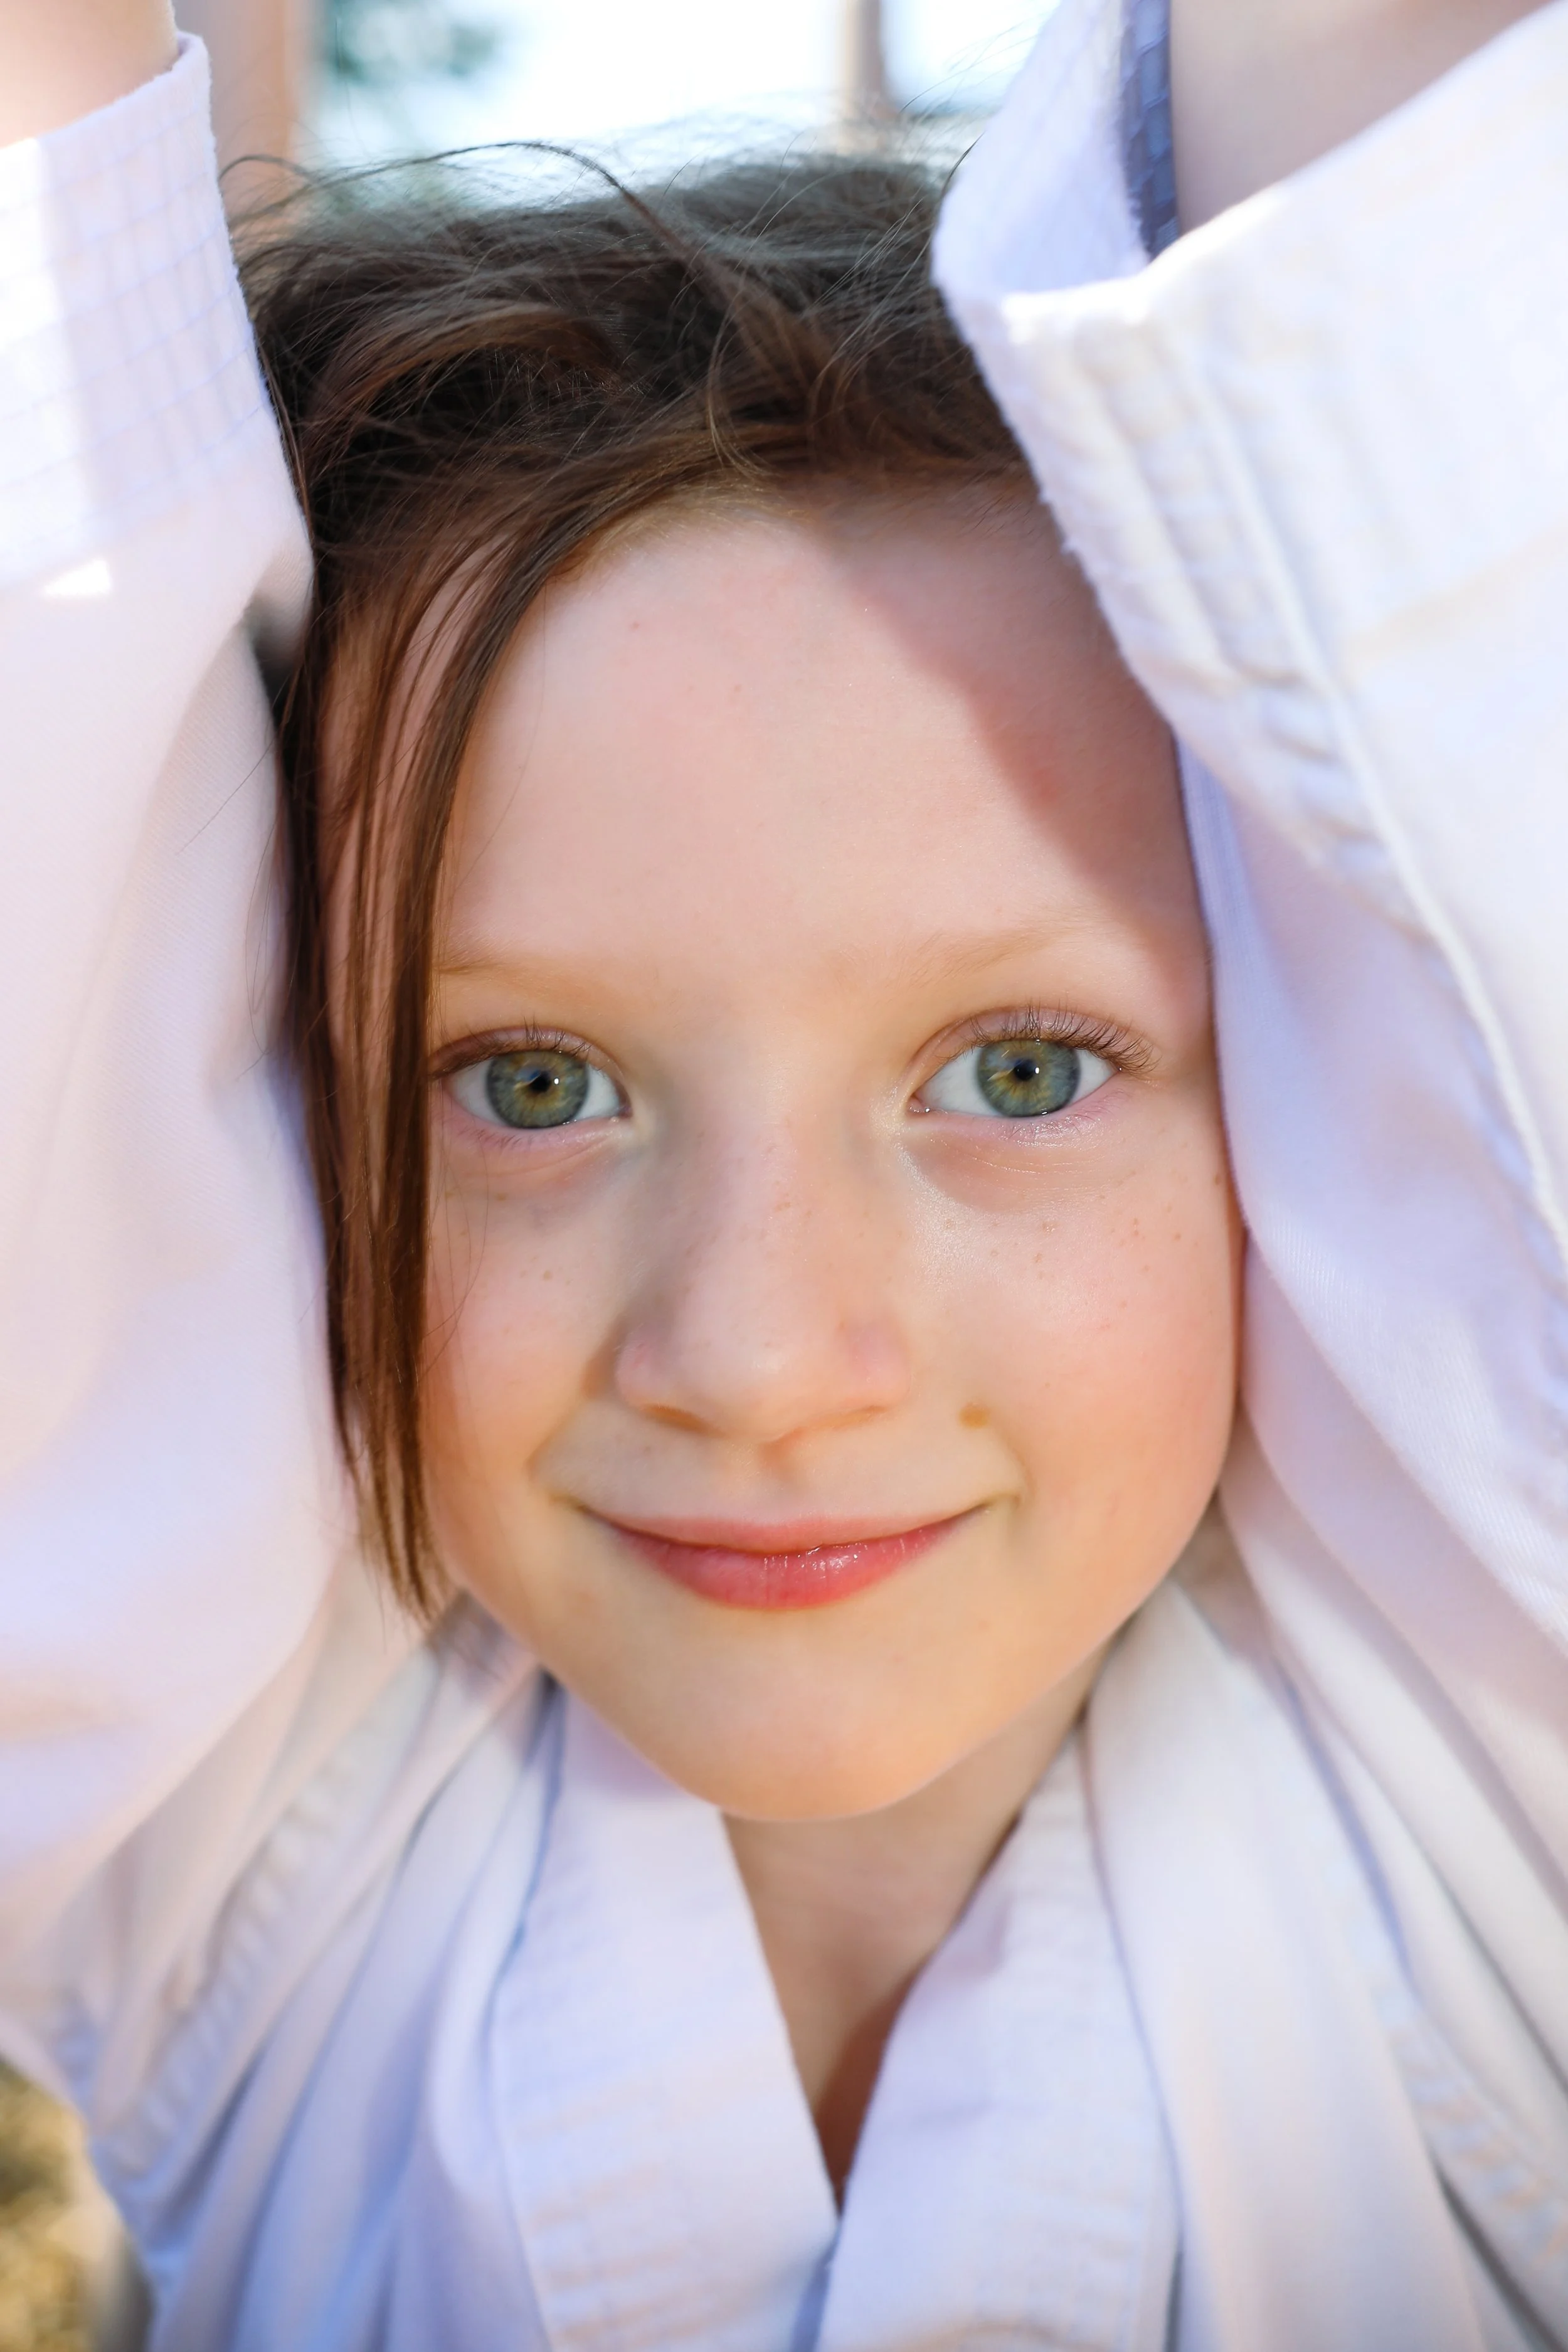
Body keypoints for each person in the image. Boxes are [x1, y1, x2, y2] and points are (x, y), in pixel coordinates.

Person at [1, 0, 1565, 2345]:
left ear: (1311, 1101)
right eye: (527, 1086)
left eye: (1019, 1069)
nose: (750, 1354)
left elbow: (1397, 331)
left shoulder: (1509, 1810)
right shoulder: (224, 1836)